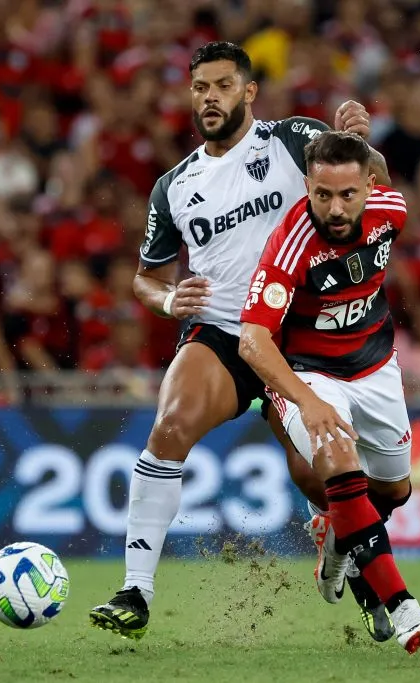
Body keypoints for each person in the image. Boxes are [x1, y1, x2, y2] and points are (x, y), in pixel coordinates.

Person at [88, 41, 393, 641]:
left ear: (249, 91)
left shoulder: (291, 139)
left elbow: (368, 181)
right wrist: (170, 299)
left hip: (299, 338)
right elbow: (145, 279)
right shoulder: (174, 185)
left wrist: (362, 137)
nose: (210, 97)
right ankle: (135, 591)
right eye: (201, 87)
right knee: (169, 428)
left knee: (320, 477)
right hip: (225, 332)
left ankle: (354, 562)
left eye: (223, 86)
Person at [237, 131, 420, 654]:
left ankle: (335, 537)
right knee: (343, 468)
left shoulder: (390, 208)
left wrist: (363, 135)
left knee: (394, 492)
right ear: (308, 185)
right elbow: (253, 341)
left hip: (374, 366)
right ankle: (402, 607)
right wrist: (307, 400)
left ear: (368, 188)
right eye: (322, 194)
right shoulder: (290, 243)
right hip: (308, 372)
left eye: (348, 194)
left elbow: (389, 177)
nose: (335, 207)